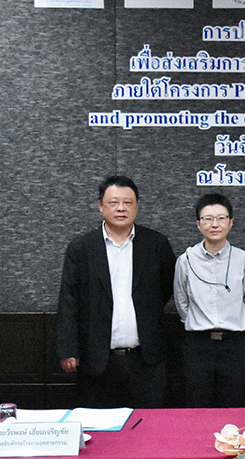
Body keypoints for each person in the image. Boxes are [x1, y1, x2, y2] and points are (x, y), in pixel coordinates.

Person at [56, 175, 175, 408]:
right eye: (113, 202)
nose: (121, 208)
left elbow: (167, 286)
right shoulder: (81, 248)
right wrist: (68, 349)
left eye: (128, 202)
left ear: (136, 207)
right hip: (97, 359)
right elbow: (69, 300)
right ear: (101, 206)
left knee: (148, 424)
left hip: (146, 359)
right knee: (100, 426)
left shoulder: (156, 244)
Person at [174, 193, 245, 407]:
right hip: (197, 346)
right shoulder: (186, 260)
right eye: (208, 219)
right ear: (198, 224)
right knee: (197, 407)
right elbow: (181, 301)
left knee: (235, 406)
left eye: (221, 218)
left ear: (231, 222)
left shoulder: (244, 260)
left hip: (234, 345)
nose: (215, 224)